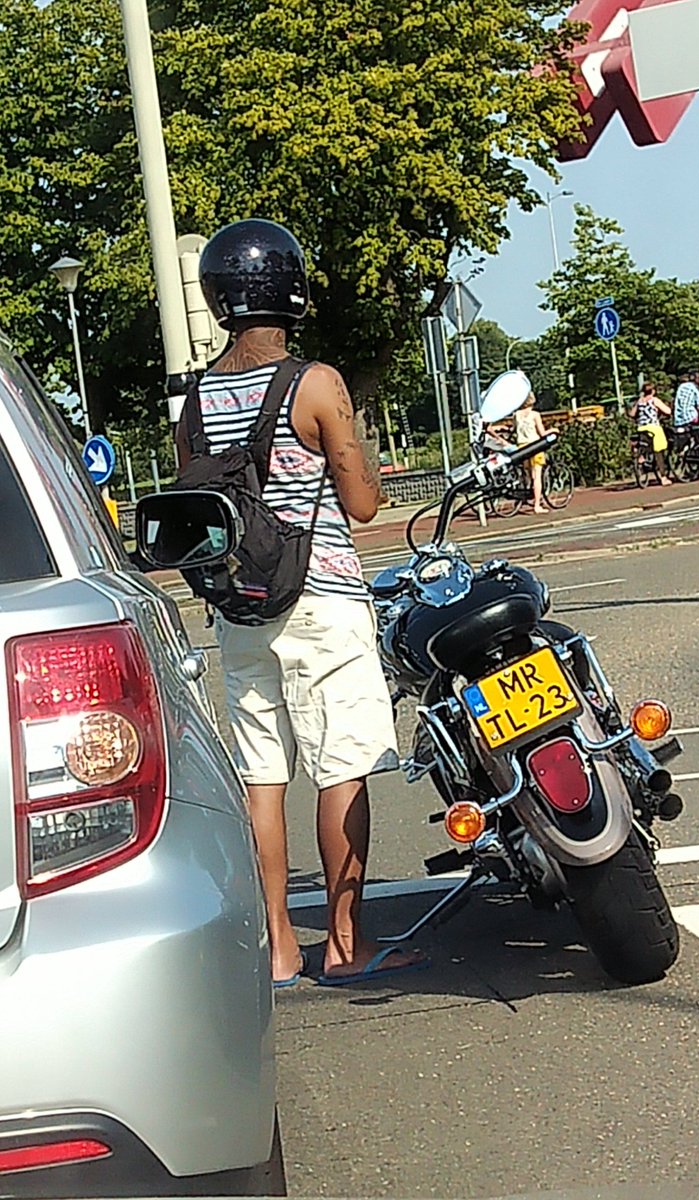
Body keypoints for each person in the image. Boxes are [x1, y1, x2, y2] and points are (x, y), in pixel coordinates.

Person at [177, 219, 427, 988]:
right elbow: (361, 502)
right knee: (340, 769)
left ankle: (279, 946)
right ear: (291, 291)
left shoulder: (194, 397)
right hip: (320, 598)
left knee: (263, 776)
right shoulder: (314, 384)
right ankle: (345, 942)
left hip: (240, 607)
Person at [514, 392, 552, 514]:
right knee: (537, 476)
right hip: (535, 446)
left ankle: (525, 498)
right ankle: (537, 505)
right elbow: (542, 433)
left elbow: (514, 429)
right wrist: (553, 430)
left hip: (522, 446)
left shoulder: (516, 415)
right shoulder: (535, 415)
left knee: (527, 474)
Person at [628, 382, 672, 486]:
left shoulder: (640, 401)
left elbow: (632, 414)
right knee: (659, 450)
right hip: (654, 428)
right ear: (653, 391)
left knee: (645, 444)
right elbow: (668, 411)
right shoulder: (654, 400)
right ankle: (663, 477)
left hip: (641, 428)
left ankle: (642, 457)